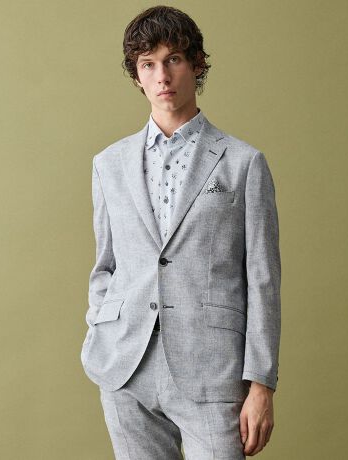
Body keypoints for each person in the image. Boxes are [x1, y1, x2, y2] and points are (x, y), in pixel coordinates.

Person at [80, 5, 281, 459]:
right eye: (148, 64)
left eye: (173, 59)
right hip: (125, 367)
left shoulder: (243, 163)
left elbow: (263, 279)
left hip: (213, 369)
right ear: (137, 76)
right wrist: (100, 331)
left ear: (196, 64)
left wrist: (261, 383)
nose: (162, 76)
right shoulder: (109, 164)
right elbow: (106, 264)